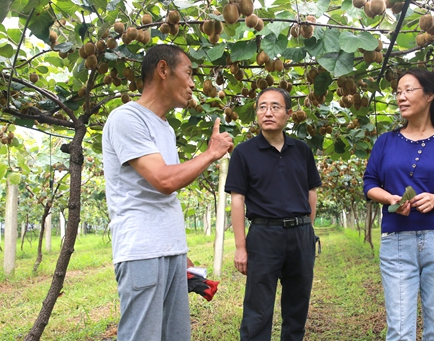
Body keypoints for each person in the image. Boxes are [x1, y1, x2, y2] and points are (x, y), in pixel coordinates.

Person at [102, 44, 233, 341]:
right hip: (142, 252)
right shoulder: (126, 118)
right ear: (163, 70)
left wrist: (180, 254)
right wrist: (211, 153)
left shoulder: (165, 128)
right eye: (188, 74)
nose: (192, 84)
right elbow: (163, 180)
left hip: (168, 251)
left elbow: (164, 196)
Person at [363, 68, 434, 341]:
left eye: (408, 90)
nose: (401, 97)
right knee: (399, 330)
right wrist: (389, 198)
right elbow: (369, 185)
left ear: (429, 95)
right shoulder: (385, 142)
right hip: (397, 242)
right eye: (398, 92)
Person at [225, 87, 322, 341]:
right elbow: (238, 200)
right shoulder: (243, 153)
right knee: (258, 309)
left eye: (275, 107)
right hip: (263, 234)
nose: (268, 112)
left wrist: (308, 231)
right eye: (262, 107)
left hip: (301, 234)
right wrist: (240, 247)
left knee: (297, 307)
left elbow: (311, 193)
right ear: (256, 113)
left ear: (288, 114)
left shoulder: (302, 151)